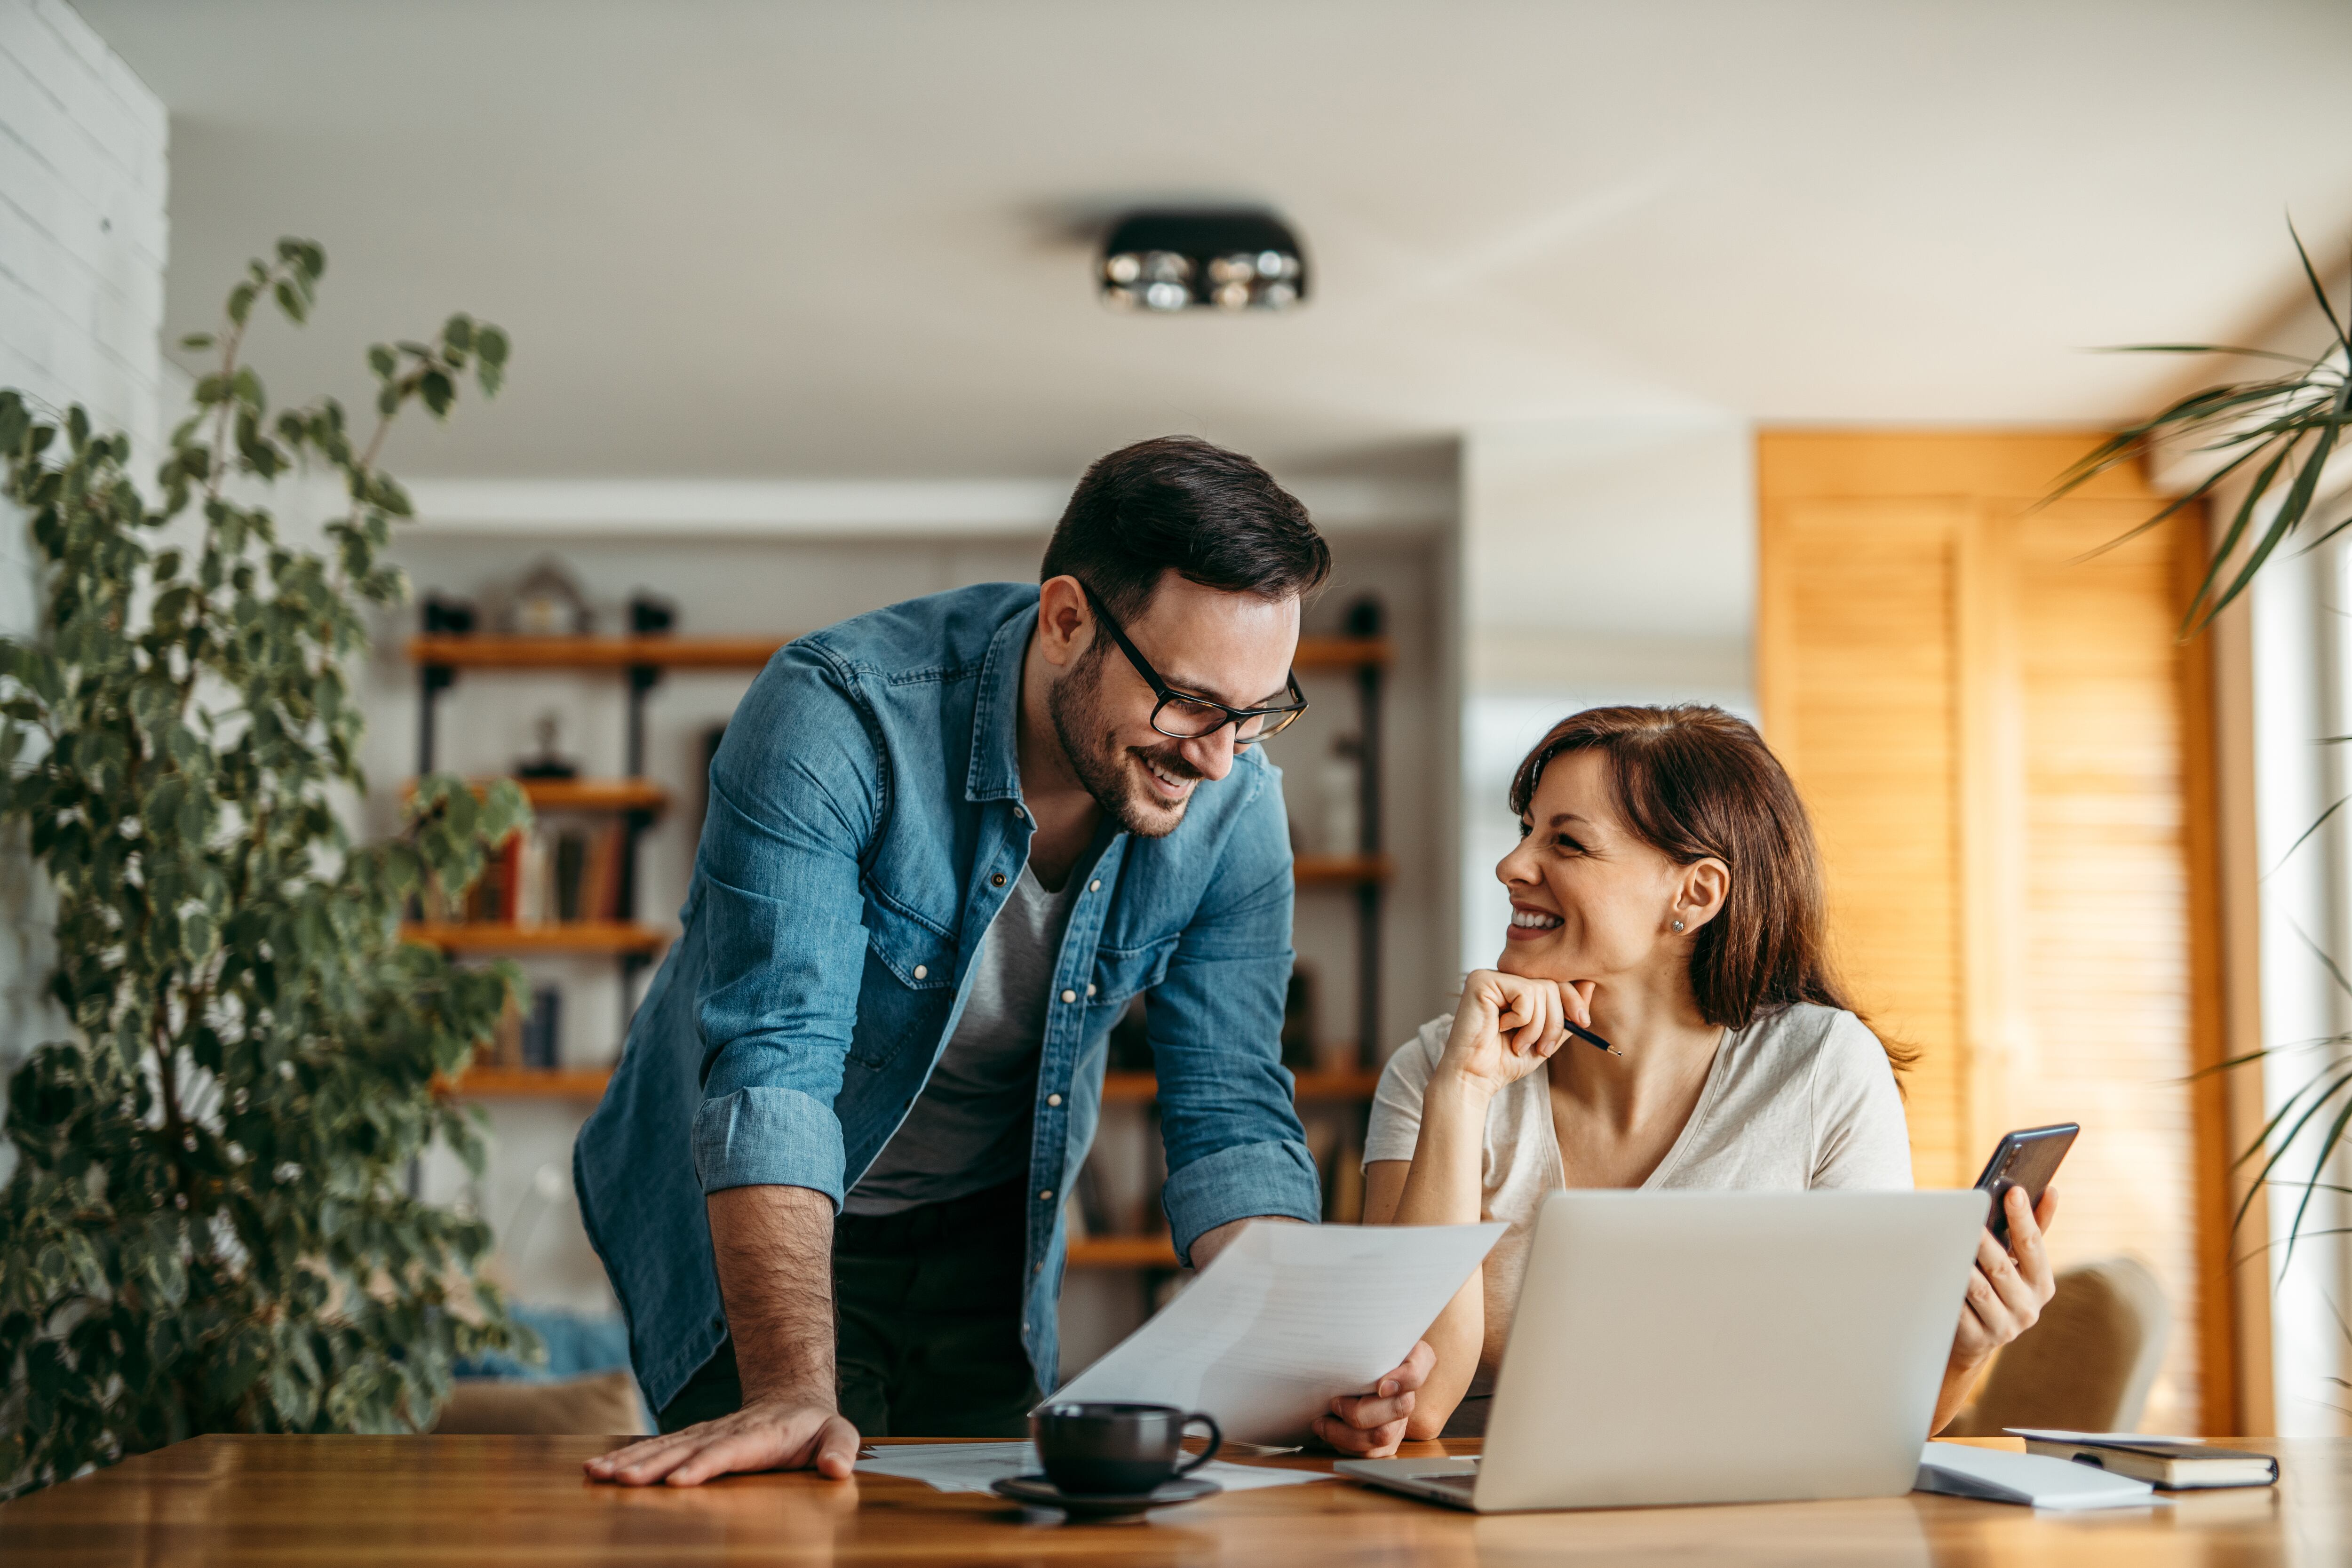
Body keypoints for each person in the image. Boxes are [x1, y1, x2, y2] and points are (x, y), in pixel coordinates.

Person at [576, 436, 1427, 1487]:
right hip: (771, 1223)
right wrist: (793, 1388)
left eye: (1256, 713)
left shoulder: (1235, 802)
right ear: (1067, 621)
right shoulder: (836, 716)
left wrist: (1312, 1360)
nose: (1219, 758)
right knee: (791, 1516)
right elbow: (776, 1064)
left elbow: (1232, 1110)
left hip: (990, 1234)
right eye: (1191, 701)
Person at [1326, 704, 2057, 1446]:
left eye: (1568, 842)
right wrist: (1465, 1092)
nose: (1512, 866)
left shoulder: (1824, 1070)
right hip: (1471, 1506)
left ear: (1697, 894)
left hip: (1734, 1503)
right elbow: (1415, 1406)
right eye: (1527, 830)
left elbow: (1866, 1411)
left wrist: (1962, 1350)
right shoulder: (1438, 1069)